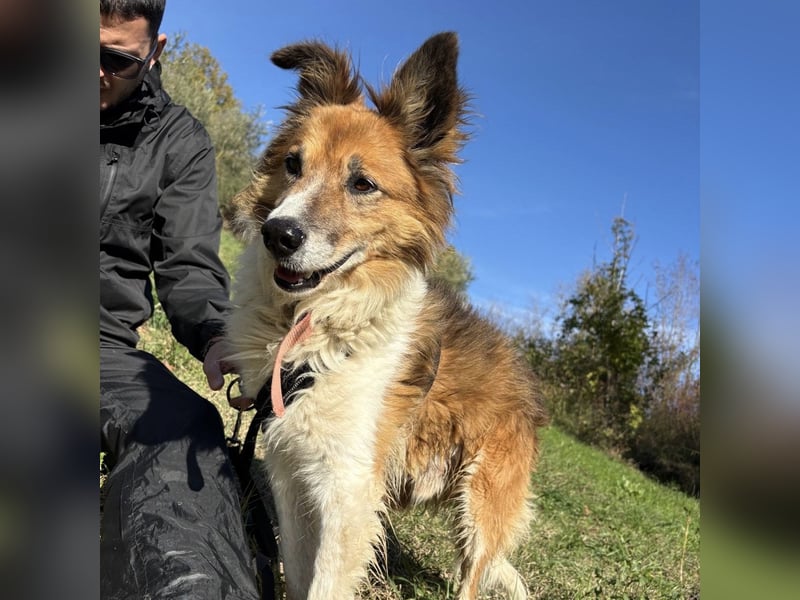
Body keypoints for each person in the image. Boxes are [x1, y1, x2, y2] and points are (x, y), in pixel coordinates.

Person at [99, 1, 260, 598]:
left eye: (115, 59)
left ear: (156, 50)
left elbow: (189, 264)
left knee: (181, 427)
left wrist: (221, 335)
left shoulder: (180, 142)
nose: (93, 73)